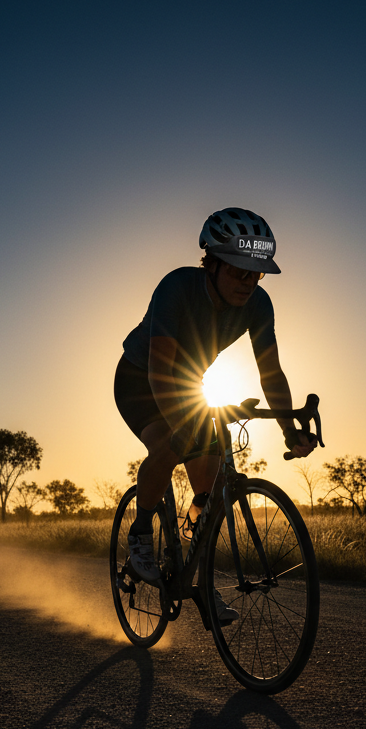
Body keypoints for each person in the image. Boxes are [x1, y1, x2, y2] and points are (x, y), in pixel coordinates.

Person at [114, 207, 317, 596]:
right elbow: (161, 369)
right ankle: (140, 535)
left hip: (189, 382)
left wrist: (290, 431)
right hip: (140, 378)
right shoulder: (177, 288)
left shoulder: (258, 306)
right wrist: (180, 426)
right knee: (168, 445)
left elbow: (271, 373)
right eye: (239, 272)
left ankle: (197, 578)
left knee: (208, 495)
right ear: (212, 264)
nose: (248, 283)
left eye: (255, 274)